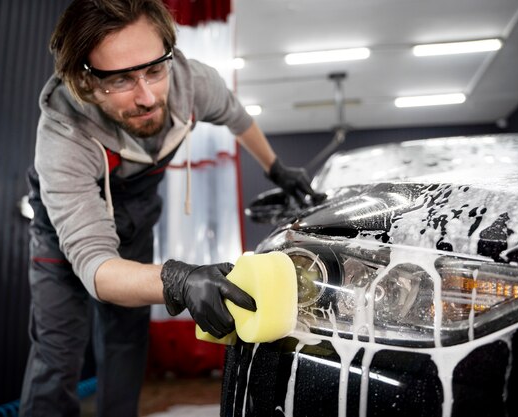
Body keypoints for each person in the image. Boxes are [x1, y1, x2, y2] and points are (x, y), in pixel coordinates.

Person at [19, 0, 324, 416]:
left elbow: (238, 118)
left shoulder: (192, 81)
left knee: (127, 340)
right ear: (84, 81)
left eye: (154, 70)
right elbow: (96, 266)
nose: (147, 97)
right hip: (63, 242)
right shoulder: (62, 139)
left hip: (136, 223)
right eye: (121, 80)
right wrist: (177, 281)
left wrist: (276, 168)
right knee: (57, 354)